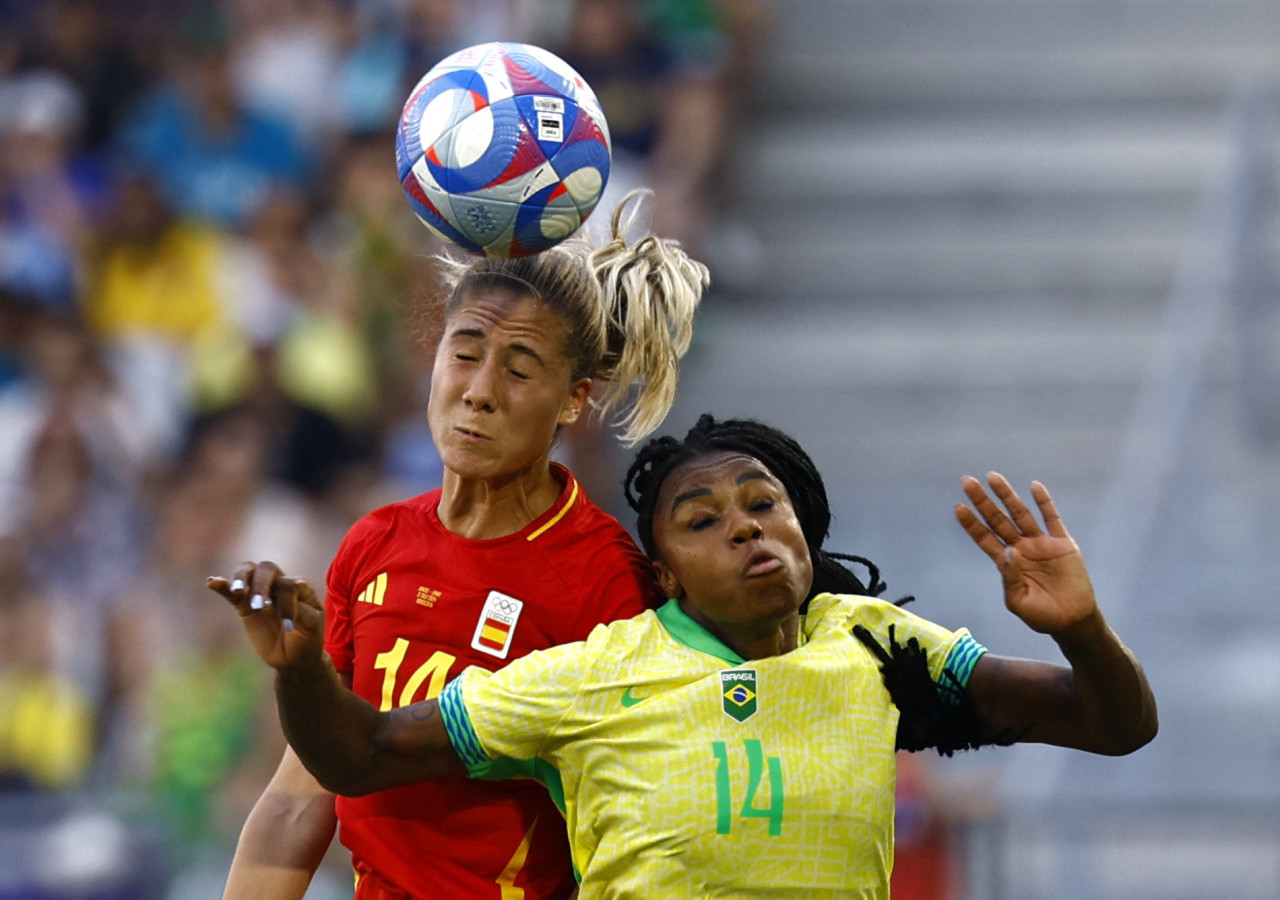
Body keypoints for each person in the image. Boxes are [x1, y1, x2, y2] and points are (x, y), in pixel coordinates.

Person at [214, 414, 1158, 898]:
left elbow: (1117, 726)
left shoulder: (874, 645)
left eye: (763, 504)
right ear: (664, 575)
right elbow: (361, 756)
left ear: (803, 525)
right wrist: (302, 670)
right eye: (703, 521)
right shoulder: (598, 671)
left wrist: (1078, 626)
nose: (746, 529)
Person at [206, 192, 709, 900]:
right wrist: (301, 672)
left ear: (574, 399)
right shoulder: (374, 544)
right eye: (465, 353)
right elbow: (296, 801)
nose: (479, 391)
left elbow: (646, 836)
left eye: (519, 367)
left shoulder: (608, 585)